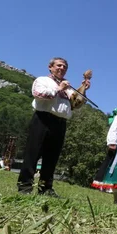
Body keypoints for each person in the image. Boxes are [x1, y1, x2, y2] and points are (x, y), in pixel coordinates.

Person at [17, 57, 91, 196]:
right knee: (33, 153)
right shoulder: (42, 80)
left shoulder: (68, 89)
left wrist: (83, 89)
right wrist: (59, 88)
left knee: (52, 157)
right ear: (50, 67)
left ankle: (45, 188)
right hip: (42, 119)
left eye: (64, 67)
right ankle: (25, 186)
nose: (62, 68)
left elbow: (76, 104)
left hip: (60, 123)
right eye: (59, 65)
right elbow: (39, 94)